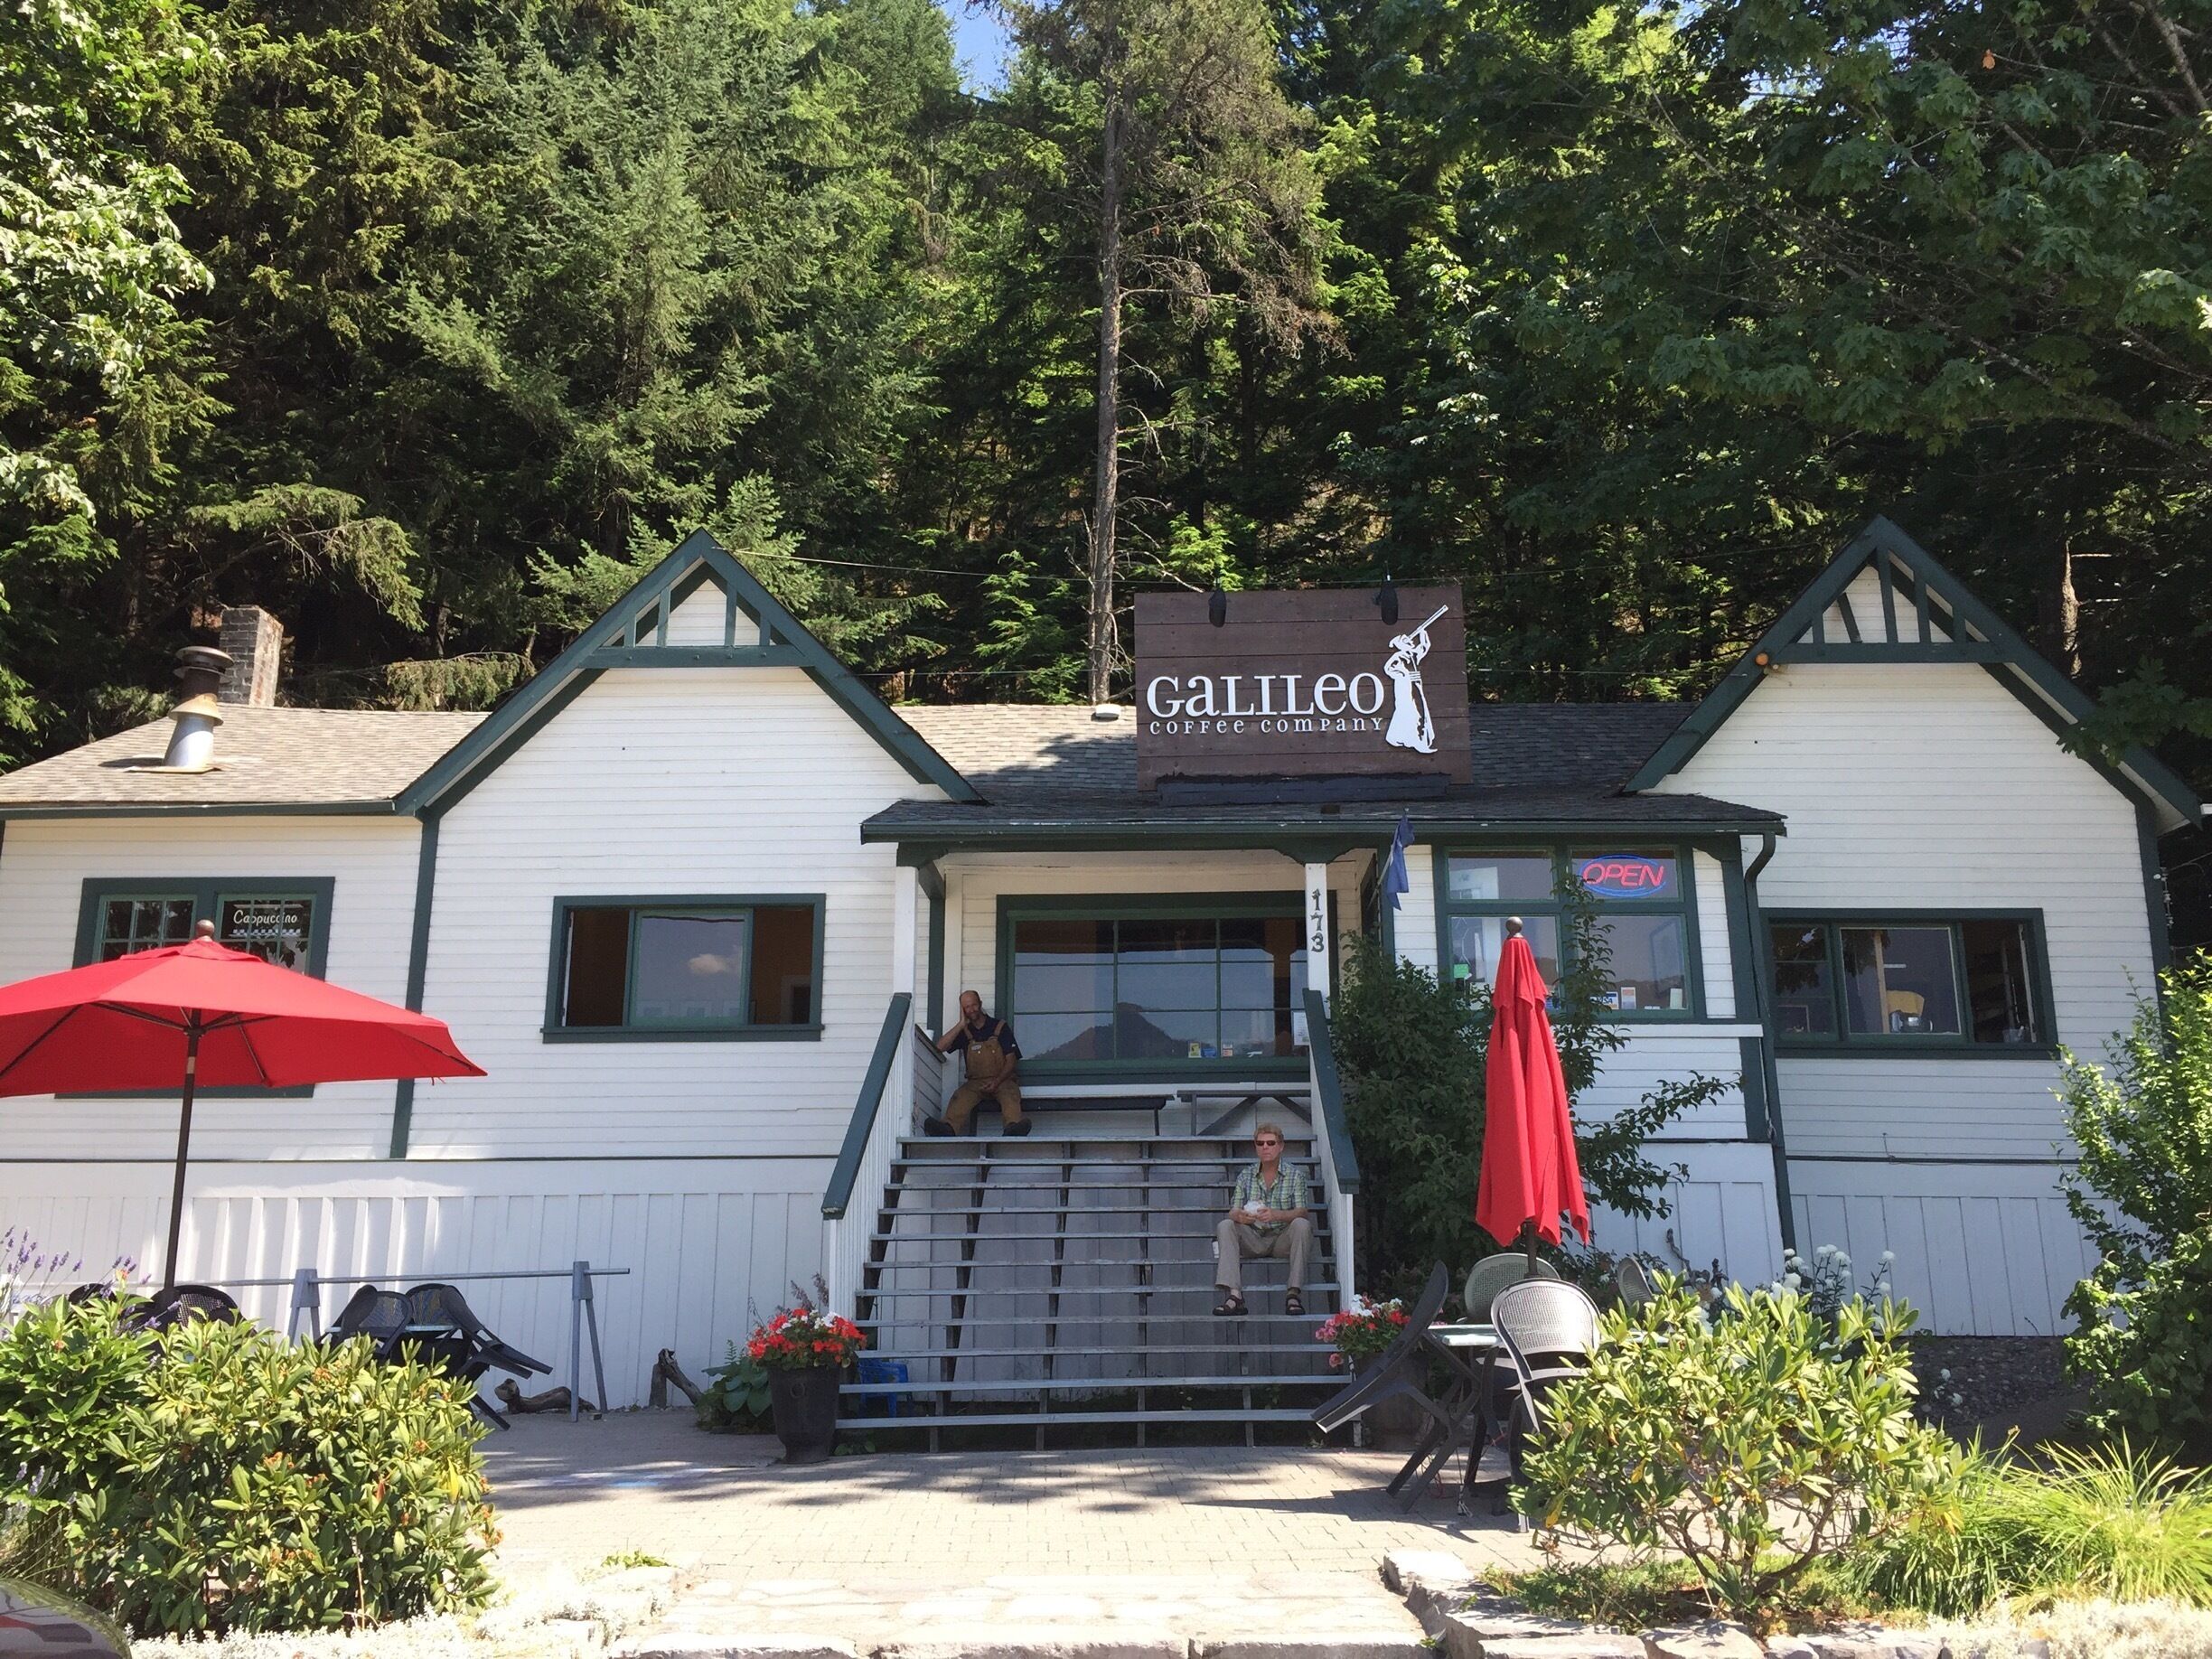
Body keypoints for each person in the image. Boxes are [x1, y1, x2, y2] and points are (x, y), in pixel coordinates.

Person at [1214, 1123, 1312, 1316]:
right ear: (1255, 1146)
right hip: (1253, 1237)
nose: (1265, 1147)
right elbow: (1233, 1211)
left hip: (1282, 1238)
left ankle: (1293, 1293)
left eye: (1270, 1142)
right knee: (1226, 1225)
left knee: (1302, 1225)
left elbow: (1302, 1211)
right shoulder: (1246, 1175)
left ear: (1281, 1146)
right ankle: (1234, 1295)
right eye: (1260, 1143)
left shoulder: (1295, 1175)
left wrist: (1276, 1214)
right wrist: (1240, 1216)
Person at [924, 989, 1028, 1137]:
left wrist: (997, 1082)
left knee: (1010, 1094)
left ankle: (1013, 1129)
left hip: (1003, 1080)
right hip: (975, 1083)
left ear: (980, 1004)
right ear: (962, 1010)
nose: (971, 1010)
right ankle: (948, 1128)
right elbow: (939, 1048)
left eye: (974, 1005)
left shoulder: (999, 1027)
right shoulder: (964, 1031)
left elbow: (1011, 1061)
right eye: (967, 1007)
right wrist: (961, 1025)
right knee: (960, 1096)